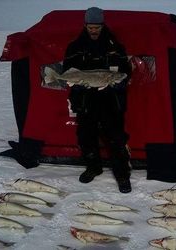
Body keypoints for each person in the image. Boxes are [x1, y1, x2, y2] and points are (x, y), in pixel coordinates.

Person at [62, 7, 132, 193]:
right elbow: (67, 71)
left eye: (97, 27)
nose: (94, 31)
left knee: (116, 139)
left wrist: (120, 83)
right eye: (90, 27)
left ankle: (122, 174)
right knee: (86, 136)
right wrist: (75, 84)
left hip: (111, 101)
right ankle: (93, 167)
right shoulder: (74, 47)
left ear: (102, 25)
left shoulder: (115, 46)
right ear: (85, 25)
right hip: (85, 101)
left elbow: (127, 72)